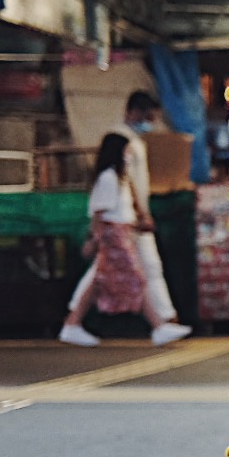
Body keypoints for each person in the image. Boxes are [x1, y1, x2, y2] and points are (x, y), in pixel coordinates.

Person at [60, 134, 191, 348]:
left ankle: (72, 324)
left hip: (120, 233)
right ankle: (158, 326)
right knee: (136, 277)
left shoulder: (119, 178)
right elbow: (100, 213)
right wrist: (93, 239)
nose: (129, 156)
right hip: (114, 236)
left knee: (99, 280)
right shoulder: (109, 178)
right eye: (126, 152)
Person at [67, 90, 179, 327]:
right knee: (121, 270)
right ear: (133, 112)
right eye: (148, 117)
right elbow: (123, 184)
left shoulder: (135, 141)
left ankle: (165, 319)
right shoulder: (120, 141)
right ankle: (163, 320)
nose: (150, 124)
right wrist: (140, 213)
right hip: (121, 219)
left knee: (144, 267)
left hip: (128, 217)